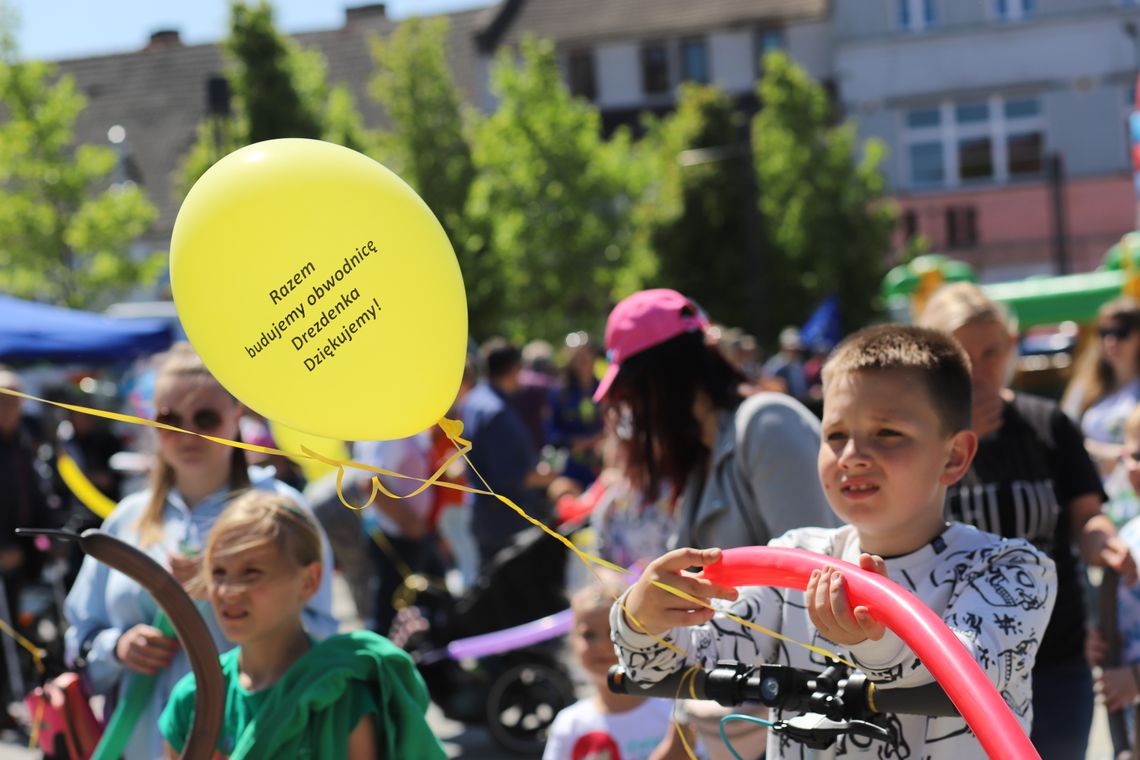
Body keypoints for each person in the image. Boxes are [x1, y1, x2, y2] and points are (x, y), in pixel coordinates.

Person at [613, 324, 1058, 759]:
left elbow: (967, 668)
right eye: (836, 436)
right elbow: (683, 662)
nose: (852, 456)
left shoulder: (1012, 570)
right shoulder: (792, 560)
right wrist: (644, 620)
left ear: (955, 455)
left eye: (887, 433)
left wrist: (875, 644)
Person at [64, 343, 338, 760]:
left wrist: (229, 591)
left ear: (237, 418)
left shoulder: (282, 512)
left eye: (205, 418)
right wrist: (118, 647)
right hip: (139, 746)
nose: (187, 433)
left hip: (252, 741)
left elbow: (323, 638)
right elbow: (79, 635)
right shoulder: (127, 519)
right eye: (170, 419)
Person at [595, 289, 836, 758]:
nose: (628, 415)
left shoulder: (764, 423)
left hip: (810, 727)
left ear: (661, 379)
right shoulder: (700, 465)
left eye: (629, 394)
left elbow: (814, 583)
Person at [918, 283, 1135, 759]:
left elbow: (1085, 517)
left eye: (991, 351)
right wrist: (950, 434)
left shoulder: (1047, 424)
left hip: (1056, 659)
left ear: (1011, 348)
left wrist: (1106, 544)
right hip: (957, 666)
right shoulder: (918, 441)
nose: (978, 370)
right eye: (961, 355)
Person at [159, 490, 444, 759]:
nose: (229, 591)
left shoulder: (339, 693)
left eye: (251, 572)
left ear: (309, 581)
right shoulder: (193, 700)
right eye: (219, 572)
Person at [543, 576, 687, 760]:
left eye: (613, 632)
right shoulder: (569, 724)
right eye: (589, 635)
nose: (602, 645)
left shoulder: (674, 714)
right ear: (572, 642)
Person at [460, 338, 557, 565]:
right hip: (505, 521)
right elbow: (507, 476)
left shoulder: (473, 401)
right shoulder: (496, 412)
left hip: (484, 513)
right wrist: (547, 477)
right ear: (514, 370)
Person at [349, 431, 436, 636]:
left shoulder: (403, 429)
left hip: (409, 533)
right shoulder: (387, 434)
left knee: (423, 603)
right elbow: (370, 483)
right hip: (396, 536)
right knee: (388, 613)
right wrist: (410, 522)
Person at [1091, 404, 1140, 714]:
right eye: (1132, 455)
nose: (1133, 468)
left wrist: (1136, 679)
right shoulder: (1130, 533)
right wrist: (1098, 640)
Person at [1062, 297, 1140, 474]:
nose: (1111, 341)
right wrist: (1115, 455)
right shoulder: (1084, 386)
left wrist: (1111, 456)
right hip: (1096, 491)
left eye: (1121, 333)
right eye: (1104, 333)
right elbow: (1064, 438)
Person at [547, 333, 603, 488]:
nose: (582, 361)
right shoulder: (559, 393)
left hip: (603, 468)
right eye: (576, 356)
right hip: (571, 470)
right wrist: (577, 442)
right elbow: (551, 432)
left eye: (586, 354)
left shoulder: (605, 389)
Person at [761, 326, 808, 402]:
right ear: (782, 347)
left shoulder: (799, 364)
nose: (794, 353)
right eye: (791, 349)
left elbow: (801, 390)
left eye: (796, 350)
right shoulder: (774, 365)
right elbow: (766, 384)